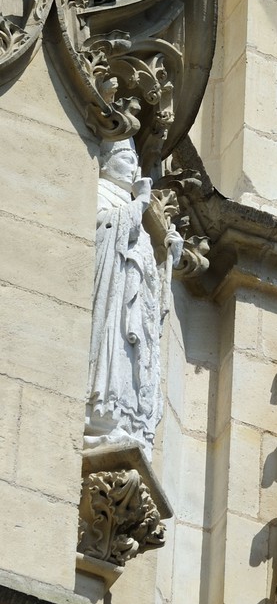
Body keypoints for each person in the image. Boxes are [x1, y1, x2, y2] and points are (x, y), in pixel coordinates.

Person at [85, 139, 181, 456]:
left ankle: (127, 426)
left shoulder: (132, 209)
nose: (133, 166)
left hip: (129, 312)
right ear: (105, 161)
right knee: (109, 357)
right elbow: (100, 229)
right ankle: (99, 420)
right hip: (110, 304)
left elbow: (150, 297)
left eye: (134, 159)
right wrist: (138, 205)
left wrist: (169, 262)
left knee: (129, 361)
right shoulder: (97, 190)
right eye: (125, 157)